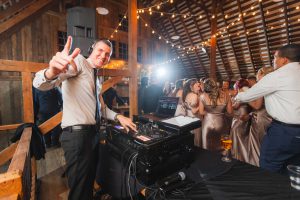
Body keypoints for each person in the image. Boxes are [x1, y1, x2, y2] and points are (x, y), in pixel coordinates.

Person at [33, 36, 136, 200]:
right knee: (80, 191)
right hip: (77, 137)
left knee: (87, 184)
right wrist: (52, 71)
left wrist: (118, 117)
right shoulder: (78, 62)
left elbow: (101, 108)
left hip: (92, 136)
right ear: (92, 49)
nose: (103, 56)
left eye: (107, 54)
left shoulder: (96, 77)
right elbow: (41, 84)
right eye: (100, 50)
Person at [235, 44, 300, 173]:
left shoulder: (276, 76)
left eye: (275, 57)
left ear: (284, 60)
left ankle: (269, 192)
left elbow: (248, 96)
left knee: (268, 166)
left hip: (283, 132)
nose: (273, 61)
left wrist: (237, 96)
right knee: (293, 168)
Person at [199, 78, 232, 151]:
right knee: (224, 146)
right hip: (222, 123)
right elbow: (230, 112)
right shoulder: (226, 95)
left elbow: (201, 112)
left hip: (208, 124)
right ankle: (225, 159)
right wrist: (220, 112)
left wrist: (210, 113)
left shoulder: (202, 96)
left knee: (207, 147)